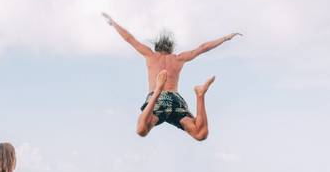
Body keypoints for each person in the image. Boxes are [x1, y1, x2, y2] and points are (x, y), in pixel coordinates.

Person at [102, 12, 241, 141]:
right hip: (175, 100)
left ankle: (158, 90)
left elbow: (129, 38)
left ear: (156, 47)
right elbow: (203, 48)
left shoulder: (150, 55)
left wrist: (113, 23)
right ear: (171, 48)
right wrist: (225, 38)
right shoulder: (179, 58)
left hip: (157, 100)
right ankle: (200, 95)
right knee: (200, 134)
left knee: (141, 130)